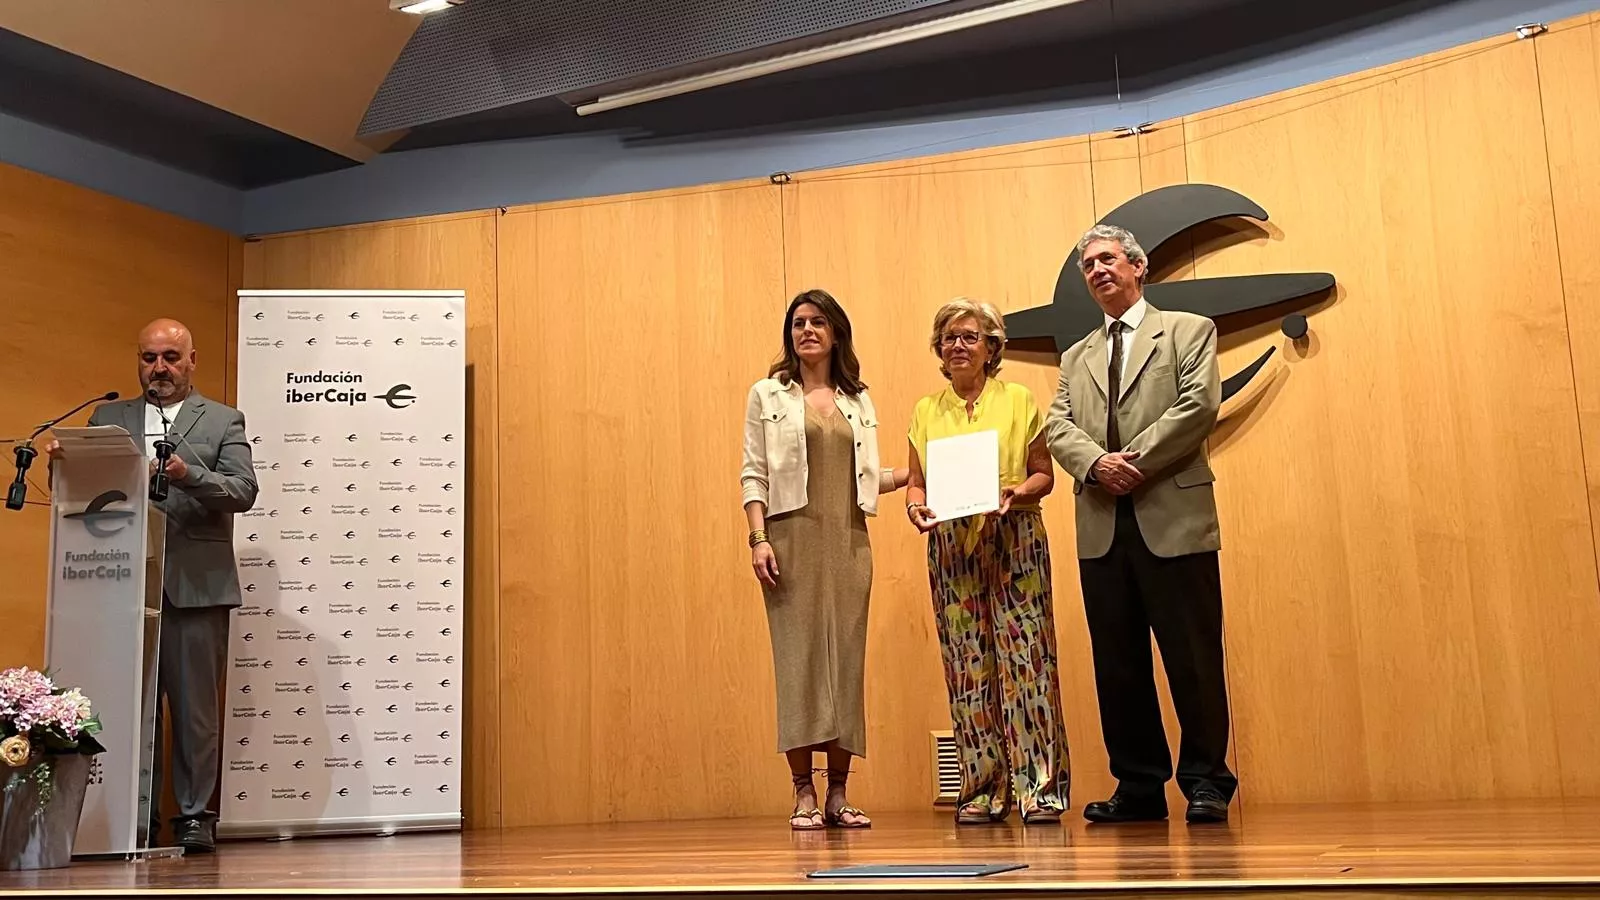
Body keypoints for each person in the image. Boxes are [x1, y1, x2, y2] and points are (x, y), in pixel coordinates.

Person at [1044, 224, 1235, 824]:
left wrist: (1134, 462)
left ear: (1138, 267)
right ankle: (1139, 786)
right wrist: (1098, 464)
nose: (1098, 270)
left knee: (1193, 658)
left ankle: (1206, 782)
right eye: (1088, 265)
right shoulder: (1075, 356)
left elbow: (1197, 405)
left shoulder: (1187, 331)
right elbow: (1057, 427)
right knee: (1118, 663)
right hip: (1103, 525)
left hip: (1173, 519)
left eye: (1107, 259)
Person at [49, 318, 258, 851]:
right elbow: (85, 490)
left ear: (191, 360)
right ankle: (134, 816)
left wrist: (190, 474)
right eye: (148, 358)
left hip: (196, 584)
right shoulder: (109, 416)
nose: (158, 368)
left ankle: (194, 817)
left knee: (194, 712)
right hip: (119, 582)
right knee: (129, 704)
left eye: (169, 357)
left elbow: (242, 490)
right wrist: (62, 464)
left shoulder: (223, 420)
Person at [740, 290, 908, 830]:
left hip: (850, 542)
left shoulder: (859, 401)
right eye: (797, 323)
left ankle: (839, 792)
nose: (806, 330)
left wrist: (918, 475)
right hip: (790, 541)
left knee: (846, 666)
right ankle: (802, 793)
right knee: (799, 663)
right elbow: (754, 472)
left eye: (817, 322)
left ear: (836, 332)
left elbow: (865, 479)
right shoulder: (768, 395)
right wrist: (757, 537)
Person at [903, 298, 1069, 825]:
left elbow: (1045, 474)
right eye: (949, 337)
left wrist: (1018, 492)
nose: (957, 346)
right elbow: (916, 481)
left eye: (969, 336)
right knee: (967, 668)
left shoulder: (1019, 399)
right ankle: (981, 790)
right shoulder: (925, 410)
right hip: (952, 546)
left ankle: (1040, 791)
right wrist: (914, 506)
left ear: (991, 346)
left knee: (1030, 665)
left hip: (1015, 537)